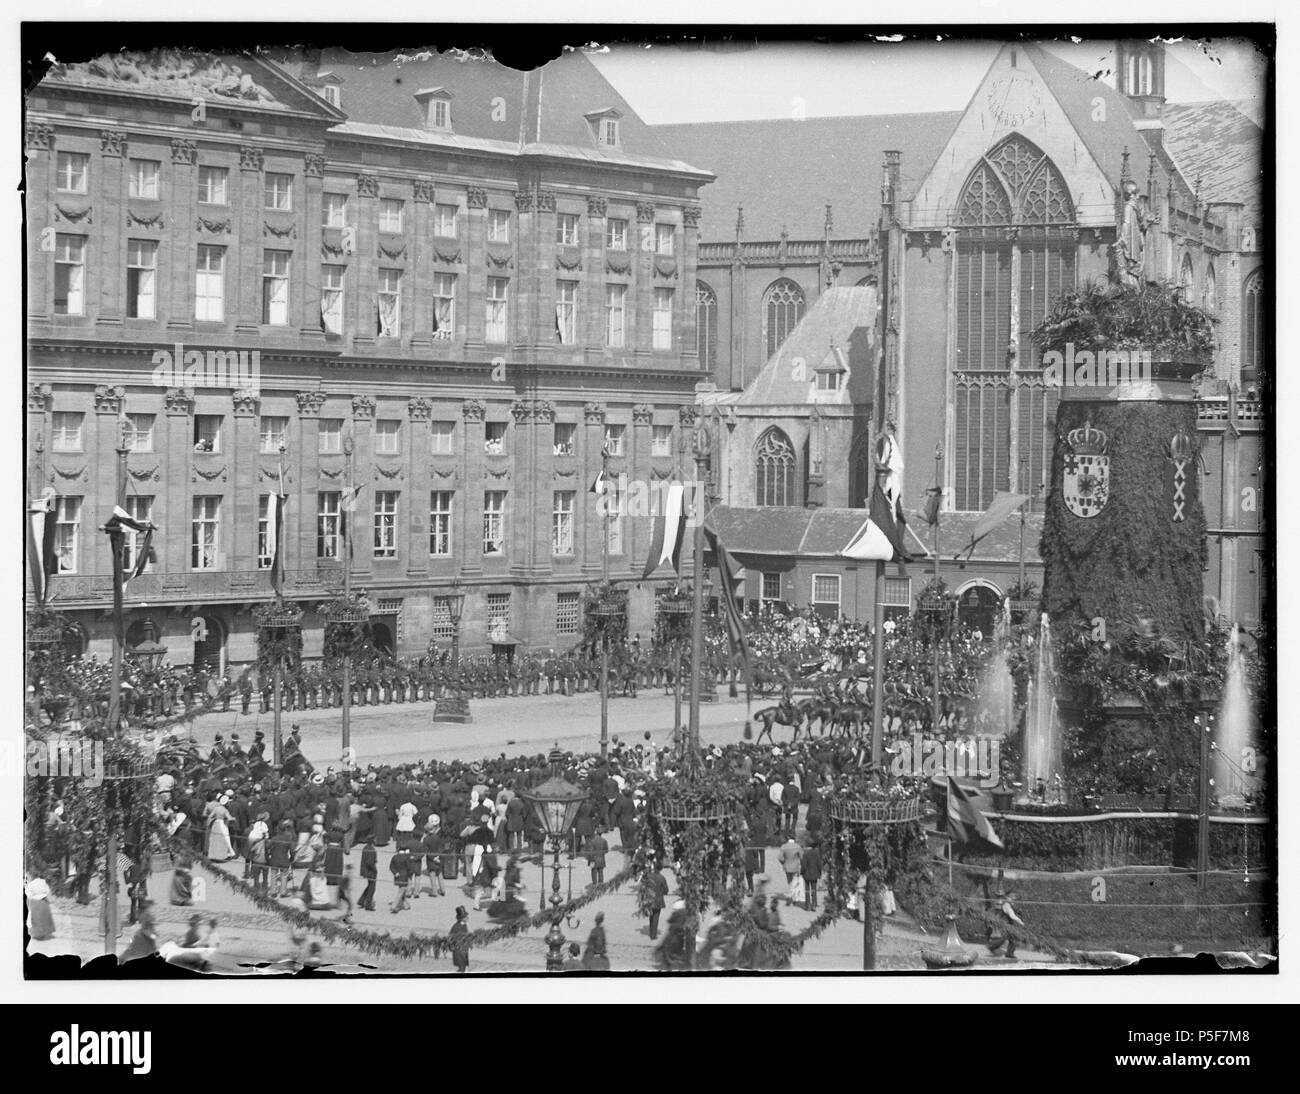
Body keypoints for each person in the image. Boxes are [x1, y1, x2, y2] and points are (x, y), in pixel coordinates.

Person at [641, 862, 669, 940]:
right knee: (656, 917)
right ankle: (653, 935)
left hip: (649, 899)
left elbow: (643, 885)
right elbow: (666, 889)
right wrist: (664, 892)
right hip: (658, 900)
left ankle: (651, 932)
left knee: (651, 916)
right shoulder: (662, 877)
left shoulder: (649, 876)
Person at [25, 876, 55, 941]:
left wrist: (32, 896)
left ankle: (37, 934)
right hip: (43, 900)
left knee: (36, 918)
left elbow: (28, 892)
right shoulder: (44, 882)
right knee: (44, 917)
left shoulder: (32, 883)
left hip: (35, 901)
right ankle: (44, 933)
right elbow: (47, 891)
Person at [358, 837, 378, 911]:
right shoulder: (372, 850)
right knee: (372, 888)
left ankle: (362, 900)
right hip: (370, 871)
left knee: (369, 886)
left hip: (365, 870)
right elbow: (370, 862)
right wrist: (374, 869)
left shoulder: (365, 847)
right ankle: (368, 904)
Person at [449, 906, 470, 973]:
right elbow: (450, 937)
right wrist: (451, 945)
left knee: (464, 965)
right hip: (458, 949)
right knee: (462, 966)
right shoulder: (456, 926)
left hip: (464, 948)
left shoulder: (464, 925)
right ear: (461, 918)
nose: (467, 918)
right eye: (465, 917)